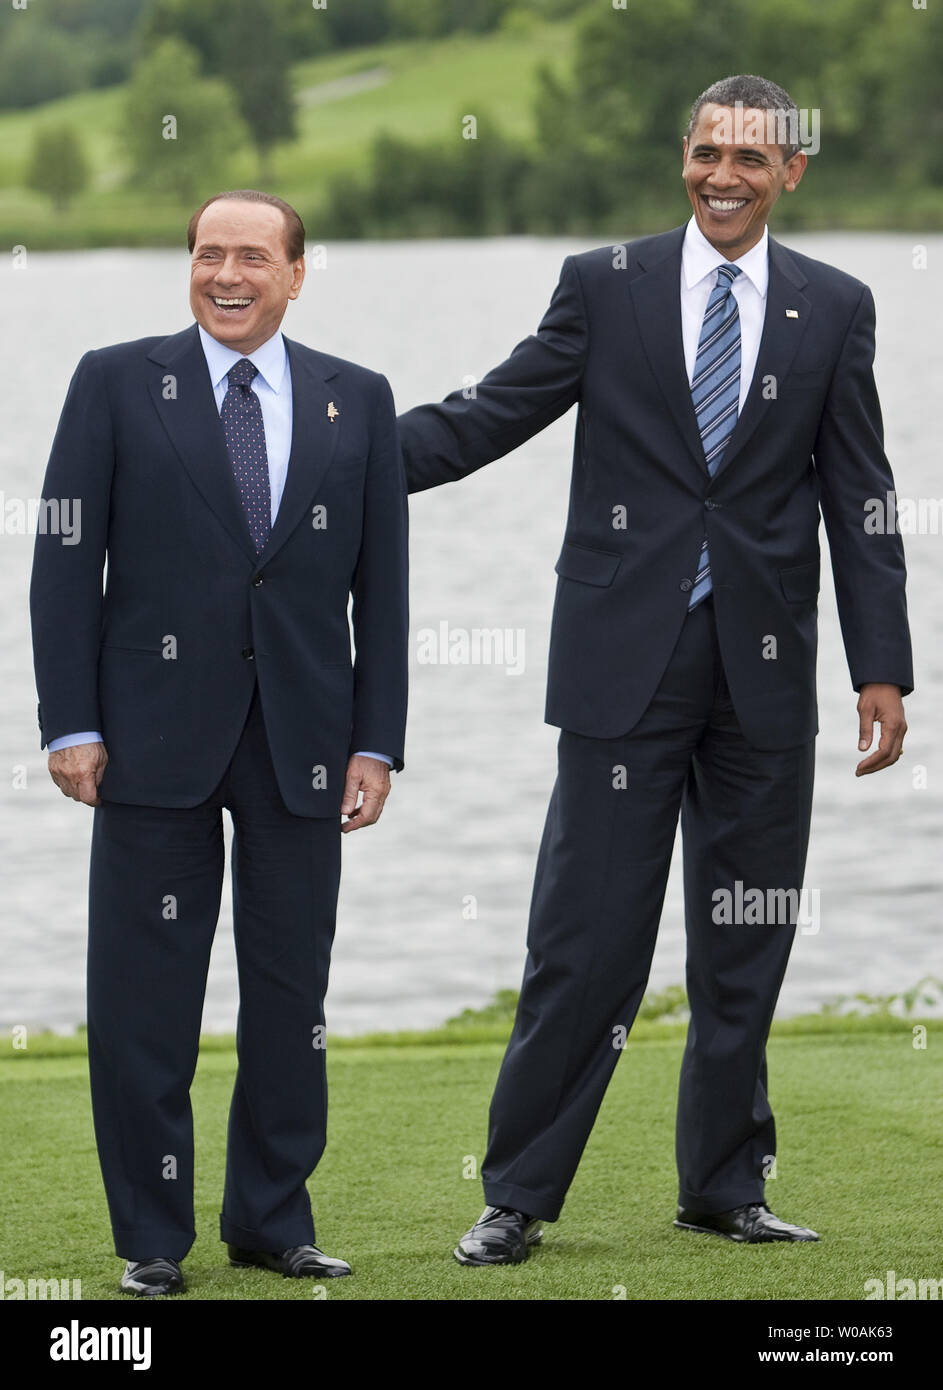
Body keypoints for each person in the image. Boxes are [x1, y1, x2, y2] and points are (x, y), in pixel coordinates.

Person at [397, 75, 912, 1265]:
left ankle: (724, 1187)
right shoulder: (605, 284)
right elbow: (489, 415)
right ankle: (516, 1195)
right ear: (683, 154)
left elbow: (861, 495)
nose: (722, 176)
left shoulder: (835, 306)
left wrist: (879, 666)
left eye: (749, 158)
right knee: (583, 939)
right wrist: (335, 450)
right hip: (622, 664)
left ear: (790, 172)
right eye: (706, 152)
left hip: (764, 671)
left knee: (745, 937)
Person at [29, 190, 409, 1296]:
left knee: (291, 997)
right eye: (207, 255)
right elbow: (64, 564)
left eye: (250, 256)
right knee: (143, 998)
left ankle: (271, 1223)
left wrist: (376, 740)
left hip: (304, 740)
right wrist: (70, 722)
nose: (226, 275)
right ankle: (153, 1239)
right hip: (146, 742)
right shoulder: (113, 381)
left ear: (296, 273)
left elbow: (383, 588)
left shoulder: (357, 398)